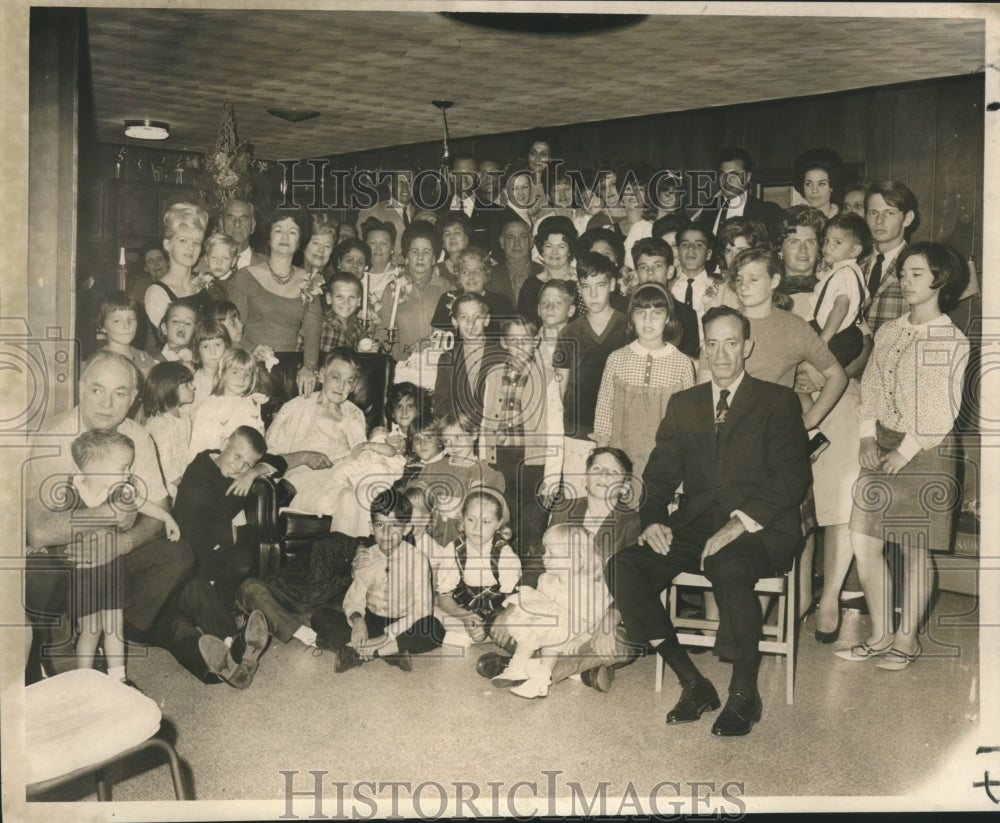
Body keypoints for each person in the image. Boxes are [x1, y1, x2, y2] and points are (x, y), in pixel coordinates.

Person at [609, 306, 811, 737]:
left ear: (748, 347)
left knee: (728, 563)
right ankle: (693, 682)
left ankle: (744, 694)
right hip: (698, 522)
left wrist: (739, 523)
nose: (722, 354)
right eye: (713, 344)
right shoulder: (685, 404)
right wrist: (653, 520)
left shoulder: (777, 401)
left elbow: (792, 478)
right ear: (703, 349)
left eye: (732, 342)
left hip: (764, 524)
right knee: (626, 566)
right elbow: (660, 473)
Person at [24, 352, 234, 686]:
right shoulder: (54, 436)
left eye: (120, 393)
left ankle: (135, 629)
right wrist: (106, 515)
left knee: (179, 553)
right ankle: (53, 655)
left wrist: (122, 543)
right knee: (38, 569)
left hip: (115, 559)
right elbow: (38, 532)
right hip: (68, 562)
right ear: (81, 388)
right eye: (97, 390)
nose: (107, 404)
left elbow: (159, 513)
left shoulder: (138, 436)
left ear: (134, 398)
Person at [836, 243, 969, 670]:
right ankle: (879, 634)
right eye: (903, 273)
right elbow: (871, 387)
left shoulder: (951, 339)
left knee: (913, 547)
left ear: (939, 279)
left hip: (926, 449)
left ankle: (906, 640)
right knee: (864, 541)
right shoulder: (892, 331)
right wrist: (867, 437)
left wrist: (904, 452)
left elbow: (940, 410)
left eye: (915, 274)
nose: (904, 281)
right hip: (881, 444)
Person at [476, 447, 642, 693]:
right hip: (555, 607)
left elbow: (635, 582)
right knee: (501, 623)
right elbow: (539, 563)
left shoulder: (633, 523)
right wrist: (511, 608)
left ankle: (528, 667)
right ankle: (585, 669)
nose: (603, 475)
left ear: (626, 485)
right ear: (585, 477)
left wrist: (608, 621)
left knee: (622, 642)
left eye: (612, 471)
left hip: (598, 614)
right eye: (596, 468)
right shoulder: (566, 510)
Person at [67, 429, 181, 686]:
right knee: (90, 630)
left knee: (114, 626)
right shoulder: (71, 489)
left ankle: (119, 679)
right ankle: (83, 683)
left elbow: (144, 503)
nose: (128, 473)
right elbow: (53, 525)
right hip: (84, 571)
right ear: (95, 468)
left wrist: (167, 517)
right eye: (122, 467)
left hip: (112, 568)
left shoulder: (122, 490)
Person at [311, 489, 445, 673]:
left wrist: (387, 635)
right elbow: (353, 599)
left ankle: (359, 651)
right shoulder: (367, 557)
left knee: (432, 628)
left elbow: (422, 609)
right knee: (320, 616)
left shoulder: (418, 559)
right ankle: (391, 652)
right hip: (372, 621)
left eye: (395, 525)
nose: (386, 532)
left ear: (407, 528)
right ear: (371, 527)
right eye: (380, 524)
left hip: (404, 622)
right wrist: (358, 621)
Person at [490, 523, 609, 699]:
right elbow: (540, 604)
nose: (544, 557)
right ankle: (518, 666)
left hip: (577, 632)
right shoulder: (546, 579)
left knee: (553, 631)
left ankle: (540, 679)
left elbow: (597, 617)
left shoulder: (587, 586)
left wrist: (581, 638)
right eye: (546, 552)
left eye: (551, 554)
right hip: (551, 626)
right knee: (534, 624)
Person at [173, 426, 285, 609]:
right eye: (237, 456)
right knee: (241, 557)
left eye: (247, 463)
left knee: (244, 557)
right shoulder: (199, 473)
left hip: (212, 549)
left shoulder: (226, 465)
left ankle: (223, 605)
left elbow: (279, 462)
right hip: (188, 555)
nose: (238, 467)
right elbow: (223, 534)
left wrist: (252, 473)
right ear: (224, 444)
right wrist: (246, 475)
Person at [593, 283, 695, 481]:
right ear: (632, 316)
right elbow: (604, 411)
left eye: (657, 313)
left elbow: (687, 421)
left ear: (668, 318)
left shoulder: (682, 363)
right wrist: (603, 452)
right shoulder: (617, 358)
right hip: (621, 457)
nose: (648, 320)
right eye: (640, 312)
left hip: (664, 460)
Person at [227, 210, 324, 410]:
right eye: (279, 230)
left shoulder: (310, 280)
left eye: (293, 232)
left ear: (300, 243)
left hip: (292, 371)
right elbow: (230, 329)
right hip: (250, 366)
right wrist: (250, 352)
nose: (285, 237)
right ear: (269, 238)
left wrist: (309, 368)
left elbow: (313, 331)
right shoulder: (246, 277)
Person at [554, 252, 630, 499]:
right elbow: (559, 388)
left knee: (614, 503)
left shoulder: (629, 327)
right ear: (579, 288)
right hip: (576, 431)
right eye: (586, 287)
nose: (593, 294)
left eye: (600, 286)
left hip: (618, 432)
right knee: (576, 500)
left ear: (613, 285)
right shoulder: (569, 332)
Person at [478, 315, 554, 556]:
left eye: (526, 339)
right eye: (513, 340)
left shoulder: (549, 376)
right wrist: (482, 459)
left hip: (533, 457)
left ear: (536, 340)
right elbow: (485, 420)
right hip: (500, 455)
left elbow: (556, 428)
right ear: (503, 342)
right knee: (503, 511)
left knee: (530, 518)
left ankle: (527, 563)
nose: (520, 346)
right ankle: (503, 561)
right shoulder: (493, 374)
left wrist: (553, 469)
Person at [434, 487, 522, 646]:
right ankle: (480, 636)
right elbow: (444, 596)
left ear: (498, 523)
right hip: (465, 609)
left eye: (486, 522)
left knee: (522, 619)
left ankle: (482, 634)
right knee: (432, 611)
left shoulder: (505, 554)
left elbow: (515, 599)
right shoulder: (453, 550)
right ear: (462, 519)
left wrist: (498, 621)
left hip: (498, 611)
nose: (476, 528)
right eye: (471, 520)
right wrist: (462, 615)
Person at [418, 413, 506, 549]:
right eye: (447, 441)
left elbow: (491, 516)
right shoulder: (431, 469)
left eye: (458, 437)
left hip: (468, 543)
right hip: (431, 540)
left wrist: (462, 508)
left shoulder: (488, 476)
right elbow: (416, 503)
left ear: (474, 435)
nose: (453, 446)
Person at [379, 220, 451, 358]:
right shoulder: (393, 288)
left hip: (438, 363)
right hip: (402, 363)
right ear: (406, 257)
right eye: (414, 251)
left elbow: (453, 330)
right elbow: (383, 330)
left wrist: (429, 341)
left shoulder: (447, 288)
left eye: (426, 252)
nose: (420, 257)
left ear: (434, 258)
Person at [808, 211, 872, 367]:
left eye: (837, 242)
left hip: (830, 335)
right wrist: (855, 316)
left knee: (815, 369)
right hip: (842, 332)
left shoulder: (843, 273)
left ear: (855, 250)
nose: (828, 246)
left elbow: (840, 308)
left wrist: (821, 342)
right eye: (826, 240)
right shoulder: (853, 271)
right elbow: (867, 299)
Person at [432, 292, 505, 424]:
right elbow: (441, 407)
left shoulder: (502, 356)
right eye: (464, 317)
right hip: (460, 436)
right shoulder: (447, 359)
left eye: (477, 316)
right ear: (455, 322)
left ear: (487, 320)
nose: (471, 323)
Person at [187, 348, 267, 461]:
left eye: (247, 375)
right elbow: (199, 448)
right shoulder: (210, 406)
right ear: (222, 374)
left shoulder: (251, 403)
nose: (242, 379)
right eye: (235, 372)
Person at [862, 180, 919, 336]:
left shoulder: (919, 266)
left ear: (907, 218)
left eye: (889, 212)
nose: (879, 220)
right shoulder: (856, 263)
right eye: (873, 213)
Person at [144, 202, 212, 334]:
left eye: (196, 243)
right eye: (183, 240)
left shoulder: (205, 283)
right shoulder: (157, 293)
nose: (191, 248)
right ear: (168, 245)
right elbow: (168, 347)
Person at [629, 237, 700, 359]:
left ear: (670, 272)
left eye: (658, 266)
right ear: (636, 273)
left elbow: (689, 361)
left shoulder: (686, 315)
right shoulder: (623, 309)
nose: (650, 272)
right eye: (643, 267)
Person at [430, 246, 515, 337]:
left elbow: (511, 339)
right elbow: (436, 339)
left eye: (477, 271)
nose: (471, 277)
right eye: (465, 272)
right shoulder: (446, 299)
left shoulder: (502, 303)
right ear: (458, 276)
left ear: (486, 274)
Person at [705, 148, 784, 241]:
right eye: (723, 174)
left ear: (747, 177)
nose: (727, 180)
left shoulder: (766, 211)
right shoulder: (710, 207)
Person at [143, 361, 196, 499]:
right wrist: (188, 488)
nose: (194, 387)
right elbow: (166, 469)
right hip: (166, 490)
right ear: (169, 389)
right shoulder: (159, 424)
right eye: (187, 384)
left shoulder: (184, 416)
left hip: (181, 484)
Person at [517, 215, 579, 327]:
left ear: (569, 250)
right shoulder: (530, 285)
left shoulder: (581, 281)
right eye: (549, 246)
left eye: (561, 246)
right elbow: (523, 326)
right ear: (541, 249)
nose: (554, 252)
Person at [95, 292, 159, 377]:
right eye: (117, 320)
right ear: (102, 326)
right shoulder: (99, 361)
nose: (127, 325)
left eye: (131, 319)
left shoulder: (144, 357)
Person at [188, 317, 232, 416]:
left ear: (226, 346)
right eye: (206, 346)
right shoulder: (193, 382)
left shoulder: (232, 376)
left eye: (217, 345)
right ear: (197, 349)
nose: (212, 352)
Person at [491, 216, 538, 304]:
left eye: (523, 237)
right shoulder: (489, 276)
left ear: (531, 241)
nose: (517, 243)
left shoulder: (544, 273)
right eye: (510, 237)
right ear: (502, 242)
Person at [319, 271, 365, 355]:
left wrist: (364, 353)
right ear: (329, 298)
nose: (346, 302)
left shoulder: (358, 329)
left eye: (351, 297)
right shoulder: (320, 326)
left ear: (359, 301)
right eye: (340, 297)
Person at [792, 148, 845, 220]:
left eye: (821, 184)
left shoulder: (844, 220)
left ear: (832, 187)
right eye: (808, 184)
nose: (814, 190)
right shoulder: (796, 221)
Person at [220, 198, 266, 271]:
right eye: (231, 217)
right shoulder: (202, 267)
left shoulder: (269, 267)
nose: (237, 224)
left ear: (253, 226)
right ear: (221, 224)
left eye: (244, 218)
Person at [201, 232, 239, 303]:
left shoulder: (237, 284)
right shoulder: (203, 280)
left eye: (225, 258)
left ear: (233, 261)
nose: (219, 263)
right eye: (214, 257)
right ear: (206, 259)